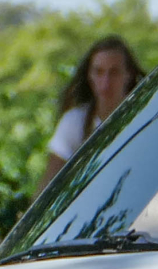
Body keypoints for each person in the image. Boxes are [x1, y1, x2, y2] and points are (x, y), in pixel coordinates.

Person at [41, 36, 145, 187]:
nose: (105, 83)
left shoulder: (145, 117)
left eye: (114, 72)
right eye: (99, 72)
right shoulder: (75, 122)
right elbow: (49, 184)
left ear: (128, 75)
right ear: (89, 76)